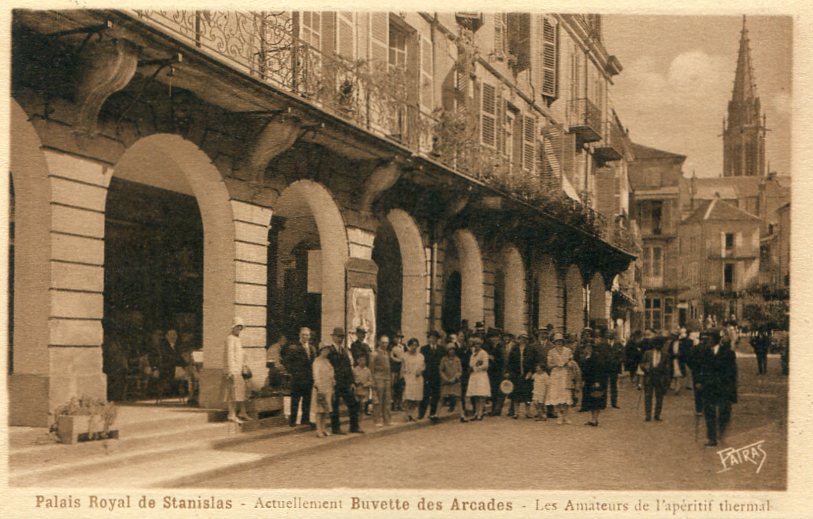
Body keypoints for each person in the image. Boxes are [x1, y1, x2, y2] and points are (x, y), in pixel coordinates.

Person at [696, 329, 738, 447]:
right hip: (709, 387)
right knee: (709, 412)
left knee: (724, 413)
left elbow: (733, 372)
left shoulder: (728, 353)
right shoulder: (704, 352)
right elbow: (700, 368)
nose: (707, 341)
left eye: (709, 338)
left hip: (723, 387)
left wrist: (732, 388)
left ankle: (722, 431)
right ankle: (712, 438)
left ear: (715, 339)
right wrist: (699, 381)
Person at [327, 327, 363, 435]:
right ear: (333, 337)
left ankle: (354, 427)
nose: (340, 339)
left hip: (345, 383)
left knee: (353, 403)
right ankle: (336, 428)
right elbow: (327, 368)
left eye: (342, 337)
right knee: (335, 405)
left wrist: (352, 382)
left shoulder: (344, 351)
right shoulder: (329, 351)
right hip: (334, 382)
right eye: (338, 336)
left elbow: (348, 367)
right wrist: (331, 382)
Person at [281, 327, 315, 428]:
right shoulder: (294, 348)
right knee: (295, 399)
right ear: (299, 335)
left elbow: (314, 362)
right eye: (303, 334)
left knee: (307, 400)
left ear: (309, 336)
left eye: (307, 335)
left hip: (309, 378)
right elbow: (287, 361)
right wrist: (294, 372)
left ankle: (305, 419)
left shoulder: (312, 348)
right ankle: (293, 420)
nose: (305, 337)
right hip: (297, 378)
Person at [223, 317, 250, 424]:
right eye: (237, 327)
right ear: (233, 327)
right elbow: (229, 355)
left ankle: (242, 412)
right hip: (232, 371)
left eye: (241, 327)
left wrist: (244, 365)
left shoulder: (237, 339)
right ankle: (231, 414)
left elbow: (240, 355)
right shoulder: (230, 338)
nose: (239, 329)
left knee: (240, 392)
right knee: (232, 393)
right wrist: (231, 370)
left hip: (238, 370)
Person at [640, 335, 671, 422]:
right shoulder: (647, 353)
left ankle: (657, 415)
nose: (658, 346)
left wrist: (667, 381)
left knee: (659, 397)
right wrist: (645, 367)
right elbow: (642, 363)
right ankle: (648, 415)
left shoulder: (666, 355)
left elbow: (668, 369)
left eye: (660, 344)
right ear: (654, 345)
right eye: (657, 344)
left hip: (660, 378)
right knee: (648, 396)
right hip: (649, 377)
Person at [507, 334, 536, 419]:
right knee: (516, 394)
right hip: (516, 374)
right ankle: (516, 412)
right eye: (521, 338)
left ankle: (528, 412)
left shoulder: (531, 349)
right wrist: (510, 372)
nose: (523, 340)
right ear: (519, 339)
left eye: (525, 338)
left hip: (527, 375)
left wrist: (531, 372)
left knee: (527, 395)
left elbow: (534, 361)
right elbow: (510, 362)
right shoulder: (514, 349)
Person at [547, 333, 574, 425]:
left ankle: (566, 416)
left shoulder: (568, 351)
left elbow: (571, 362)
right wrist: (556, 364)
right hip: (555, 375)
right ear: (554, 342)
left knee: (566, 395)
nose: (559, 343)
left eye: (560, 341)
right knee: (556, 395)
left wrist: (569, 364)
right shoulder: (551, 352)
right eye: (557, 341)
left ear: (563, 342)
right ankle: (559, 416)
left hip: (565, 374)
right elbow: (549, 365)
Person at [419, 330, 444, 421]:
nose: (433, 340)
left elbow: (442, 362)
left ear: (437, 339)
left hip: (437, 375)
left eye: (435, 338)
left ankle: (432, 414)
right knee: (425, 395)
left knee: (436, 395)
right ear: (428, 339)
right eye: (431, 338)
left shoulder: (441, 349)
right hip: (427, 375)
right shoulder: (424, 349)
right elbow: (422, 362)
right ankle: (421, 414)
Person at [312, 344, 335, 438]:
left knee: (326, 409)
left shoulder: (327, 361)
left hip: (328, 387)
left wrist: (333, 381)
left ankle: (324, 428)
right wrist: (318, 386)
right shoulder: (317, 361)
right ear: (320, 350)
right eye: (325, 350)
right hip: (320, 387)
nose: (327, 352)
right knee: (319, 410)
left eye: (328, 350)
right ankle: (318, 430)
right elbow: (316, 374)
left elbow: (331, 373)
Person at [465, 335, 490, 420]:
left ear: (481, 345)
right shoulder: (473, 354)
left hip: (481, 375)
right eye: (475, 344)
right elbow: (470, 364)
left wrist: (476, 368)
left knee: (481, 395)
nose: (476, 346)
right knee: (475, 395)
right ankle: (476, 412)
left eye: (478, 344)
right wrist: (472, 368)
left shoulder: (483, 353)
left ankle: (480, 412)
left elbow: (486, 365)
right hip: (474, 376)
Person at [370, 335, 393, 427]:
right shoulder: (374, 354)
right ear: (379, 342)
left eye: (386, 342)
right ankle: (377, 420)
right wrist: (372, 381)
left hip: (387, 379)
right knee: (378, 401)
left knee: (387, 400)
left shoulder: (386, 353)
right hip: (378, 378)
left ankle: (387, 420)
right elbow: (371, 368)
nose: (385, 344)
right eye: (383, 342)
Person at [401, 338, 425, 421]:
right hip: (408, 378)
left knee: (416, 398)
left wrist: (420, 370)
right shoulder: (405, 356)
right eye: (412, 345)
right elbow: (402, 368)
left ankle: (413, 414)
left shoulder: (420, 356)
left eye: (415, 345)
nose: (414, 347)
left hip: (418, 379)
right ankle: (407, 414)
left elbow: (423, 366)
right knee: (408, 397)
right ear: (409, 346)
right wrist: (402, 378)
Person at [439, 344, 464, 421]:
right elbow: (441, 370)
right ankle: (437, 414)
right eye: (450, 349)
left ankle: (462, 415)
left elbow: (460, 371)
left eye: (453, 349)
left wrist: (455, 378)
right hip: (446, 382)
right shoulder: (444, 359)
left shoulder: (457, 359)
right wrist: (446, 379)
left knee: (458, 398)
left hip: (455, 381)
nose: (451, 351)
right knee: (442, 398)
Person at [389, 331, 406, 411]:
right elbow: (391, 357)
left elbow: (407, 354)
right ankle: (393, 404)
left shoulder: (404, 346)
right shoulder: (391, 347)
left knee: (401, 386)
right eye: (396, 338)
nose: (398, 339)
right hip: (394, 368)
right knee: (394, 386)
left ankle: (400, 403)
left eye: (400, 338)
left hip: (402, 369)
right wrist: (399, 360)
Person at [607, 329, 623, 408]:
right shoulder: (604, 343)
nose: (609, 335)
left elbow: (622, 355)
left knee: (614, 385)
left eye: (611, 334)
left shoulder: (618, 344)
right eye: (609, 333)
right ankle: (603, 403)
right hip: (605, 367)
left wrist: (617, 362)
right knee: (603, 384)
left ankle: (614, 403)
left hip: (614, 368)